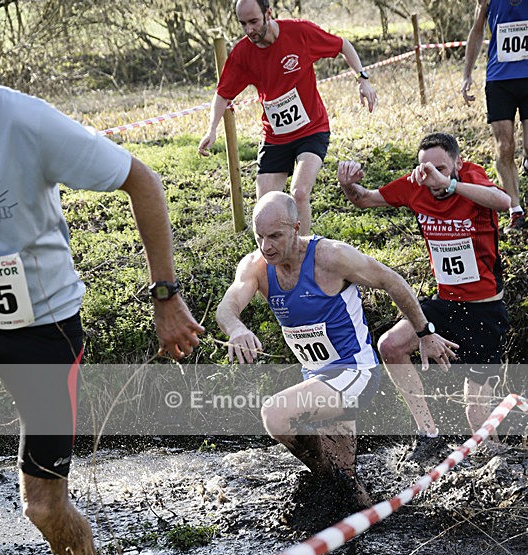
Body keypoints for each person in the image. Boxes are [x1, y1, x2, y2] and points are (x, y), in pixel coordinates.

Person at [0, 84, 204, 555]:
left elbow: (143, 180)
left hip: (38, 327)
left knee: (42, 506)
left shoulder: (24, 120)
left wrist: (165, 295)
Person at [216, 191, 452, 509]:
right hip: (318, 379)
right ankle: (367, 520)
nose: (266, 246)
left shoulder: (331, 257)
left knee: (276, 415)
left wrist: (424, 333)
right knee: (346, 483)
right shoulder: (257, 266)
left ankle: (332, 486)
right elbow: (228, 306)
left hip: (355, 372)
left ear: (297, 227)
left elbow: (392, 281)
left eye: (275, 236)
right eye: (260, 236)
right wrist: (237, 328)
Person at [337, 132, 511, 462]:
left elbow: (503, 202)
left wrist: (451, 186)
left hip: (484, 310)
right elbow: (363, 198)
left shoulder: (472, 179)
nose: (431, 176)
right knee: (390, 346)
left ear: (458, 163)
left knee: (476, 416)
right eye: (425, 168)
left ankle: (501, 467)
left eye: (441, 168)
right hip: (445, 304)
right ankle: (429, 434)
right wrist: (348, 184)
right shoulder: (416, 184)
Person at [198, 0, 377, 234]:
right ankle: (274, 262)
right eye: (243, 24)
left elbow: (343, 45)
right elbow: (222, 94)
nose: (249, 30)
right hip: (275, 136)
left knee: (299, 192)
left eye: (254, 22)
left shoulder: (299, 33)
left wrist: (362, 79)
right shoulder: (243, 53)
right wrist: (211, 129)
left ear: (268, 13)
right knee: (265, 207)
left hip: (311, 129)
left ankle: (302, 255)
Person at [462, 0, 528, 233]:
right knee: (504, 146)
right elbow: (477, 30)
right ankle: (515, 210)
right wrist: (467, 74)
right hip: (499, 80)